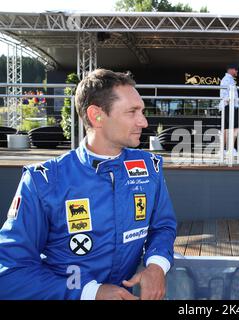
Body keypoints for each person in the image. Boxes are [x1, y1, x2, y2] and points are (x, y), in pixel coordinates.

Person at [0, 69, 177, 300]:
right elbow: (9, 273)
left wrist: (157, 266)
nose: (143, 122)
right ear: (97, 116)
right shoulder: (43, 181)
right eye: (132, 112)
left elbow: (162, 227)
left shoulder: (149, 168)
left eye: (142, 111)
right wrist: (89, 293)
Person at [219, 63, 239, 156]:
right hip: (229, 106)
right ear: (231, 69)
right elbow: (225, 95)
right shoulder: (227, 79)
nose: (237, 71)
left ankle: (224, 149)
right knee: (234, 127)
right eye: (236, 69)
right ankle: (230, 149)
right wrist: (230, 103)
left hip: (227, 106)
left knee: (226, 128)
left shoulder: (227, 79)